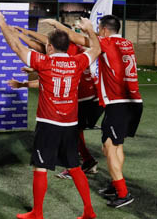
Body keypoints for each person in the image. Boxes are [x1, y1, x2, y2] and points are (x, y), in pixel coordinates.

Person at [0, 11, 101, 219]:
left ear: (50, 47)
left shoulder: (43, 62)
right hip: (70, 124)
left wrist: (2, 24)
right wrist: (89, 29)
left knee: (40, 167)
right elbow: (96, 48)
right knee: (75, 166)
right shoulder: (77, 61)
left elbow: (16, 46)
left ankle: (38, 213)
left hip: (49, 124)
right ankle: (89, 209)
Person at [43, 15, 142, 209]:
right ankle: (116, 184)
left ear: (104, 30)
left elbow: (74, 37)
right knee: (113, 146)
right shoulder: (126, 43)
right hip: (133, 101)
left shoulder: (105, 42)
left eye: (98, 28)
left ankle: (123, 193)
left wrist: (58, 25)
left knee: (110, 147)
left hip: (118, 103)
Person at [15, 22, 101, 178]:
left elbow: (42, 46)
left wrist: (21, 35)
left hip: (81, 100)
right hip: (90, 98)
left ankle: (79, 163)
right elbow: (45, 44)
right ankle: (82, 161)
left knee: (71, 135)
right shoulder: (74, 51)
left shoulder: (71, 49)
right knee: (75, 132)